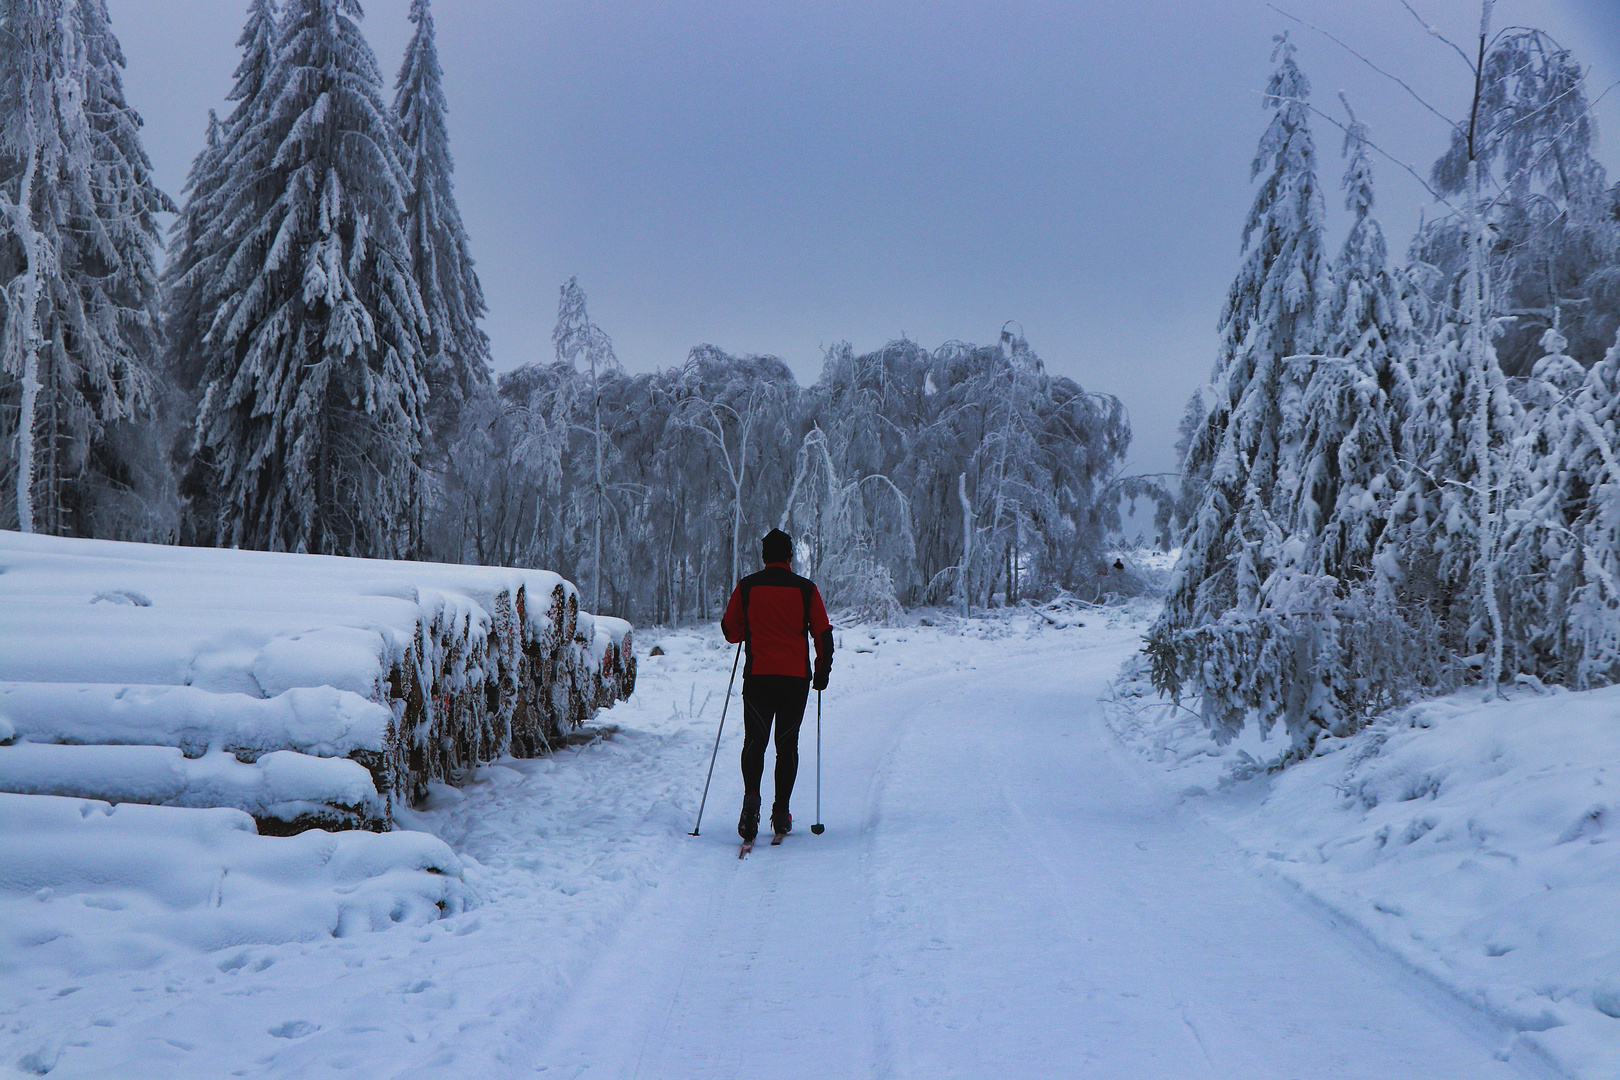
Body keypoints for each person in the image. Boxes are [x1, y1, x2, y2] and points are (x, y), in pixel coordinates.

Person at [721, 528, 833, 843]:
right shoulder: (806, 589)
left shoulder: (747, 587)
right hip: (794, 680)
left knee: (754, 742)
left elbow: (731, 631)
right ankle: (781, 812)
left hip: (758, 678)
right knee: (787, 745)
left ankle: (751, 801)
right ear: (789, 557)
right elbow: (823, 633)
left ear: (763, 557)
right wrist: (822, 670)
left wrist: (749, 627)